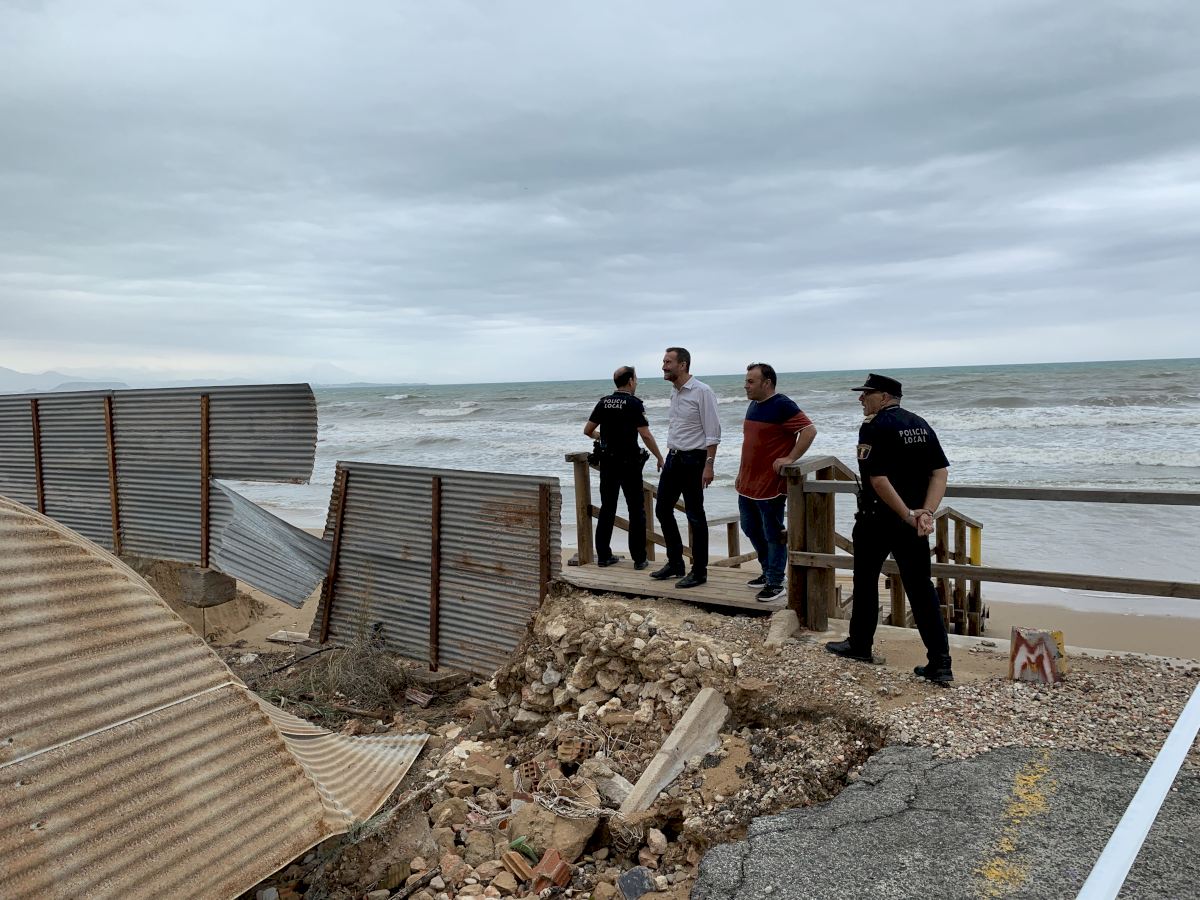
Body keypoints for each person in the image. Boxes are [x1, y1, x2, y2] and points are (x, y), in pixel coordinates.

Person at [826, 373, 954, 683]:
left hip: (877, 520)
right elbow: (940, 473)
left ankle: (860, 645)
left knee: (866, 582)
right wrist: (926, 513)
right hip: (912, 523)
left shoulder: (874, 427)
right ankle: (940, 661)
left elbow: (878, 480)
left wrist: (909, 514)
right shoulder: (920, 424)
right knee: (921, 588)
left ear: (884, 397)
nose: (861, 399)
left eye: (866, 394)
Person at [734, 363, 817, 601]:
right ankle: (767, 571)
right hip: (747, 483)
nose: (746, 386)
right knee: (750, 528)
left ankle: (776, 582)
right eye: (746, 381)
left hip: (770, 486)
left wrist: (790, 458)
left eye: (751, 381)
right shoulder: (753, 405)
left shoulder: (782, 404)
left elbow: (809, 431)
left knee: (773, 533)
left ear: (767, 383)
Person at [651, 347, 721, 588]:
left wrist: (709, 465)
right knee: (662, 509)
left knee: (695, 516)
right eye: (663, 361)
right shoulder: (675, 392)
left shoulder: (702, 391)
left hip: (694, 460)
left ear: (682, 365)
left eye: (668, 362)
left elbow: (713, 432)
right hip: (674, 458)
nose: (663, 366)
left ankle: (699, 571)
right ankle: (675, 563)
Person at [583, 366, 664, 569]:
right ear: (630, 381)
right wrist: (659, 456)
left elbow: (588, 430)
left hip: (608, 463)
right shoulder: (634, 403)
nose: (636, 382)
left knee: (607, 508)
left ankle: (603, 556)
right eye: (636, 379)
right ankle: (639, 558)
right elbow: (645, 435)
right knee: (636, 510)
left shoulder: (604, 402)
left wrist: (603, 437)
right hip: (629, 463)